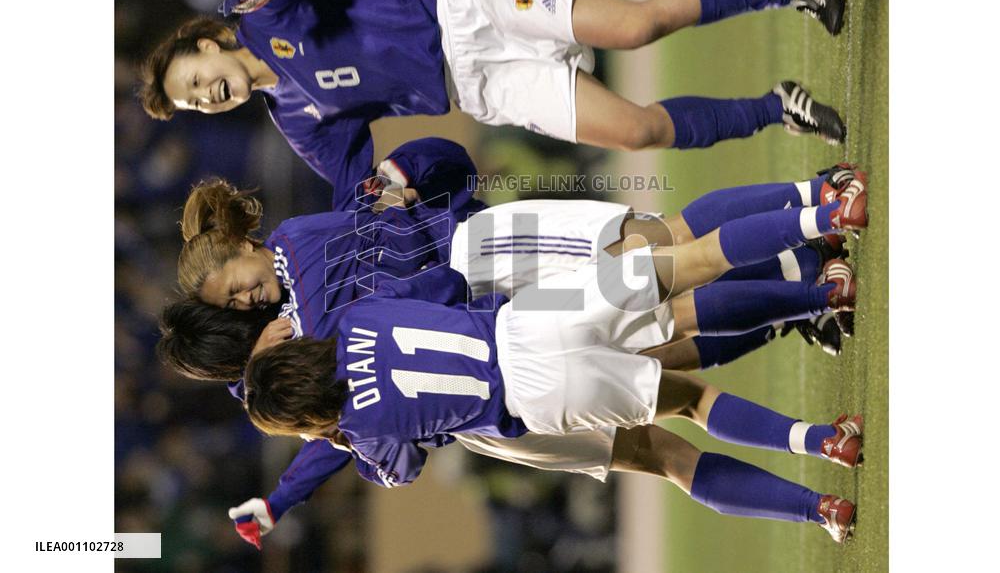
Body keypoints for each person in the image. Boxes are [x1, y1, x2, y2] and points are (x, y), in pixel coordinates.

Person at [163, 160, 868, 545]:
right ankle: (814, 236)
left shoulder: (293, 309)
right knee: (672, 270)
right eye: (237, 312)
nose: (253, 304)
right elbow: (430, 268)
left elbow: (379, 456)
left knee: (672, 358)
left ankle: (811, 318)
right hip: (495, 304)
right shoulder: (302, 318)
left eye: (239, 293)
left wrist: (407, 168)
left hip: (506, 401)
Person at [139, 0, 847, 206]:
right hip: (474, 85)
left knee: (637, 25)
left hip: (465, 8)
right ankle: (778, 105)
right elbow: (354, 188)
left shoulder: (261, 11)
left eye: (196, 81)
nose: (207, 97)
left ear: (209, 44)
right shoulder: (298, 120)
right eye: (197, 104)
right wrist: (384, 204)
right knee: (635, 134)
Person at [242, 255, 863, 543]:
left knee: (668, 439)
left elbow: (400, 470)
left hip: (523, 412)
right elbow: (442, 281)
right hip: (519, 323)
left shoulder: (357, 430)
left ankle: (821, 499)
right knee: (672, 294)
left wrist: (327, 435)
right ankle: (813, 268)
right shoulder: (342, 310)